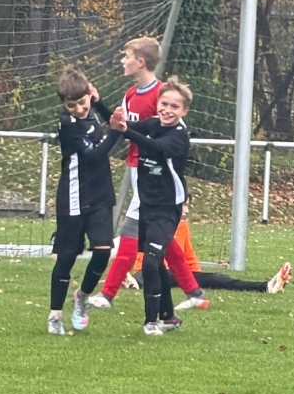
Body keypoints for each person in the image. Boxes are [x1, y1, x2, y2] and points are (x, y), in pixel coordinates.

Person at [87, 37, 203, 311]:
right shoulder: (131, 94)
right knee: (160, 241)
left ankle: (108, 294)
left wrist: (181, 194)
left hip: (157, 180)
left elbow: (171, 140)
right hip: (139, 171)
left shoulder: (164, 95)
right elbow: (122, 126)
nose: (122, 61)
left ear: (140, 62)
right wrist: (98, 104)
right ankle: (193, 292)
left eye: (126, 56)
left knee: (130, 232)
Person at [109, 77, 193, 335]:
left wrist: (125, 131)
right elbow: (128, 125)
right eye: (164, 104)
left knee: (150, 262)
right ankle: (168, 317)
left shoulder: (178, 136)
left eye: (174, 107)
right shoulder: (154, 123)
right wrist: (100, 106)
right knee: (155, 264)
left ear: (184, 111)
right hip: (147, 205)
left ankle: (150, 322)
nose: (167, 110)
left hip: (167, 209)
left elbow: (155, 146)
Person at [48, 68, 123, 334]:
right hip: (74, 197)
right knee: (66, 258)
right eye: (72, 105)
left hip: (100, 194)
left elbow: (112, 120)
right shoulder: (68, 124)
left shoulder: (91, 110)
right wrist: (115, 133)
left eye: (83, 102)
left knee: (103, 251)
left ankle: (82, 296)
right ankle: (55, 315)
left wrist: (99, 103)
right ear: (64, 104)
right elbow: (93, 155)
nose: (79, 109)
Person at [167, 214, 293, 303]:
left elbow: (189, 256)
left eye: (187, 205)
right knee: (216, 278)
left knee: (215, 279)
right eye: (183, 205)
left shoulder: (182, 226)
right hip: (160, 274)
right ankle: (265, 287)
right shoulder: (159, 225)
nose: (186, 210)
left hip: (176, 273)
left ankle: (266, 286)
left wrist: (198, 277)